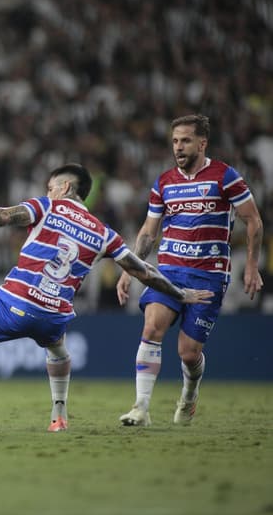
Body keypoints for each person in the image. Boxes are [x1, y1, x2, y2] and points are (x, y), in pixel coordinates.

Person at [0, 163, 215, 433]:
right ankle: (59, 417)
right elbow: (145, 271)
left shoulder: (49, 206)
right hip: (54, 315)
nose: (47, 191)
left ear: (66, 188)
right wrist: (180, 293)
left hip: (14, 304)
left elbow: (5, 215)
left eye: (51, 186)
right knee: (58, 350)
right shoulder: (104, 234)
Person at [117, 114, 264, 427]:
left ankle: (189, 394)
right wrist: (129, 269)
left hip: (209, 274)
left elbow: (253, 219)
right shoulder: (164, 183)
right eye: (174, 141)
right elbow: (148, 232)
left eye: (185, 140)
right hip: (168, 270)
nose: (178, 147)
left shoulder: (225, 176)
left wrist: (251, 265)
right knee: (152, 328)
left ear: (202, 143)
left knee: (188, 352)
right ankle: (141, 408)